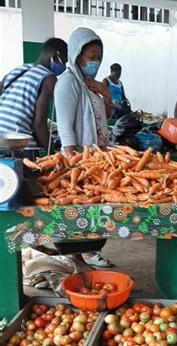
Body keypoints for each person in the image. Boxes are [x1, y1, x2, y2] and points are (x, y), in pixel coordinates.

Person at [55, 27, 113, 268]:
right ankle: (75, 257)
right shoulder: (68, 83)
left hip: (99, 160)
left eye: (99, 57)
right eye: (91, 57)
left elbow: (105, 118)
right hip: (80, 160)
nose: (96, 62)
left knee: (97, 212)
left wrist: (107, 96)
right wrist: (73, 166)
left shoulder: (92, 84)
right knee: (79, 212)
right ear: (77, 55)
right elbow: (65, 127)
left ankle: (87, 252)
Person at [0, 37, 68, 152]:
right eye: (64, 61)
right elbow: (39, 123)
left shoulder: (20, 69)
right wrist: (51, 152)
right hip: (18, 146)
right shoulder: (49, 78)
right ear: (56, 56)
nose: (64, 66)